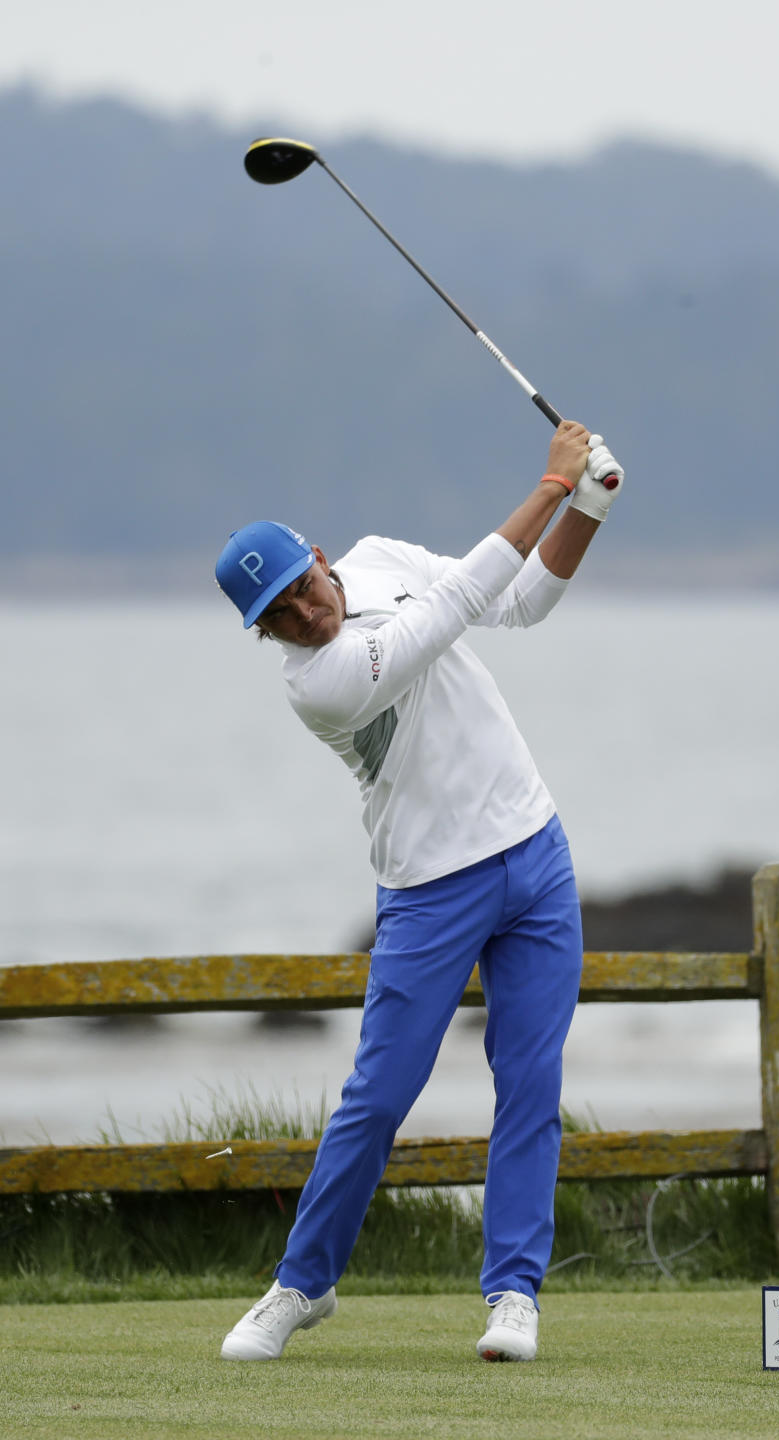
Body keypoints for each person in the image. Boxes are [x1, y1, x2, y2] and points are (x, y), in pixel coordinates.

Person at [214, 420, 624, 1363]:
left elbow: (515, 600)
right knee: (379, 1097)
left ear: (320, 559)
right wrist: (549, 483)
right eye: (275, 615)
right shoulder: (316, 683)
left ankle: (514, 1294)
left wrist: (589, 504)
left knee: (530, 1083)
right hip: (429, 887)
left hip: (534, 850)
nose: (300, 615)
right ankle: (301, 1286)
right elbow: (447, 613)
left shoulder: (383, 557)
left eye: (300, 590)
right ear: (265, 633)